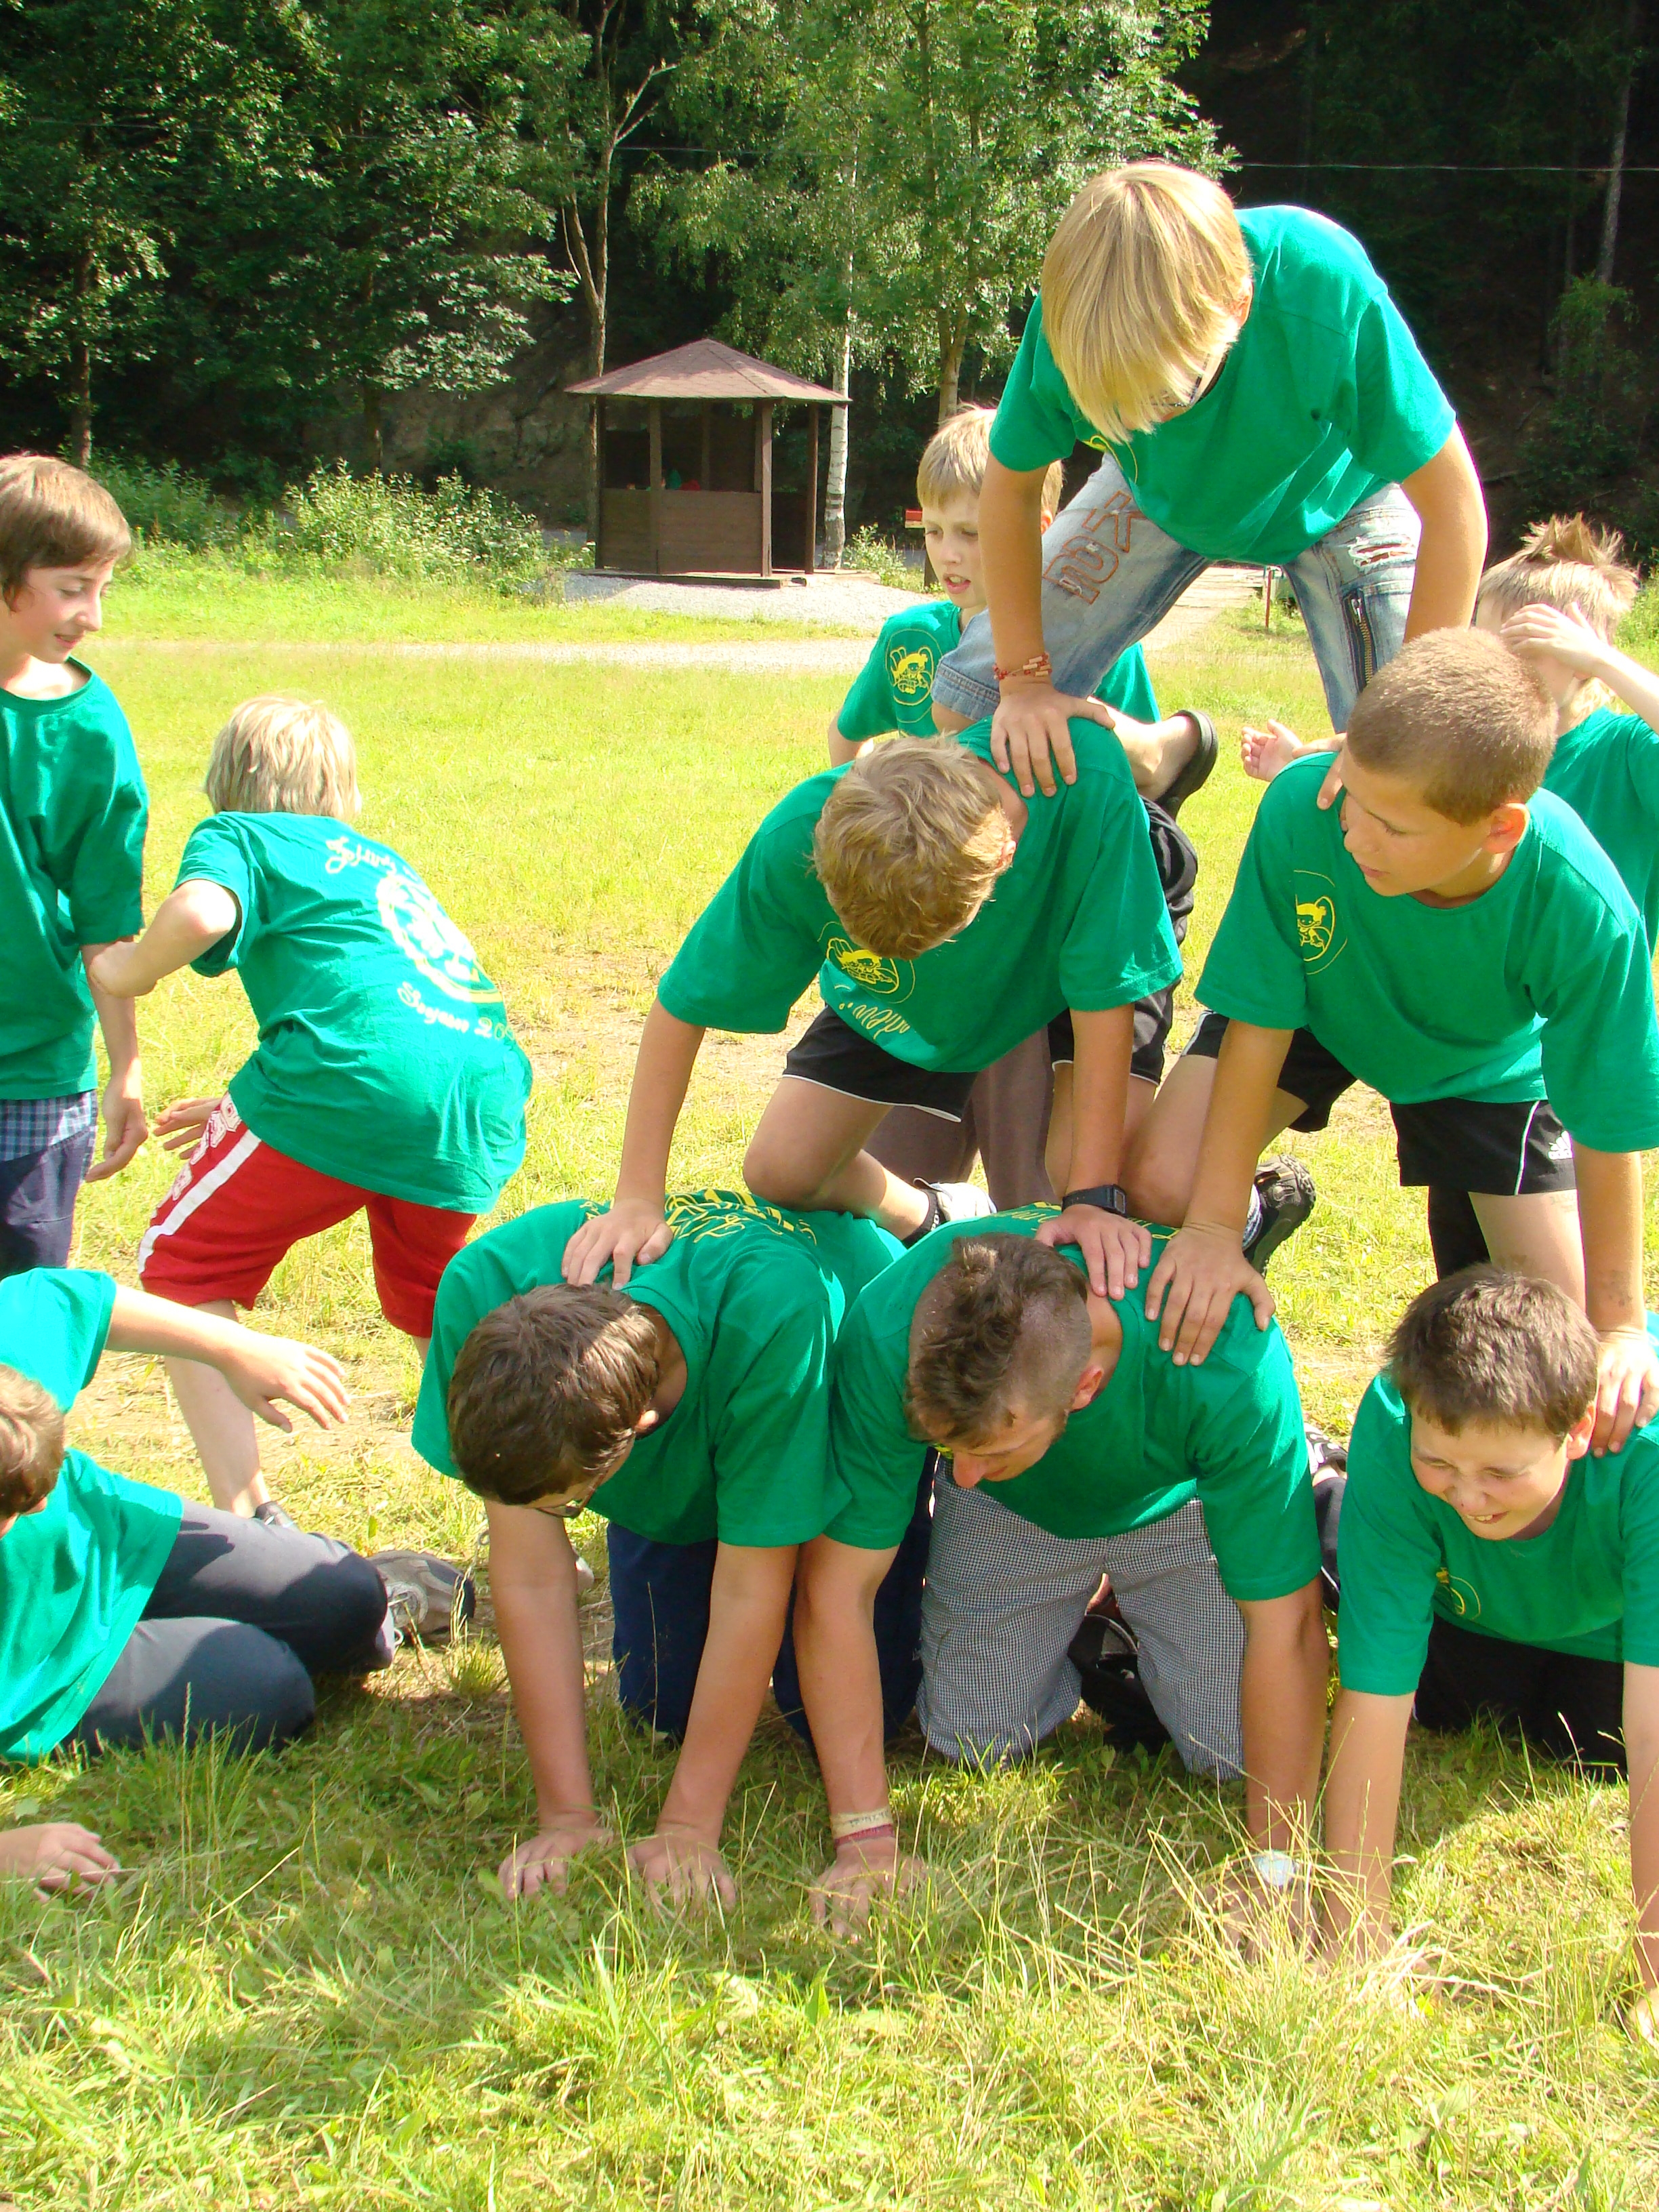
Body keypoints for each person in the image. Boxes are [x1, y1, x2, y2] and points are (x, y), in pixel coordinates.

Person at [1129, 630, 1659, 1460]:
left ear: (1500, 829)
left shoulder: (1580, 899)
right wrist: (1214, 1225)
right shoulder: (1305, 808)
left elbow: (1609, 1111)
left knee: (1564, 1338)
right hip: (1319, 1007)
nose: (1356, 839)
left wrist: (1622, 1325)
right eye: (1355, 799)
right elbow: (1260, 1022)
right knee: (1162, 1184)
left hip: (1482, 1065)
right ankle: (1258, 1216)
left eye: (1394, 827)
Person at [793, 1218, 1326, 1928]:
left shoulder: (1225, 1355)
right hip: (1020, 1507)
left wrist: (1277, 1870)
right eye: (947, 1449)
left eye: (988, 1447)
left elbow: (1289, 1625)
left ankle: (1306, 1470)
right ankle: (1088, 1621)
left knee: (1231, 1749)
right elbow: (837, 1589)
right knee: (973, 1738)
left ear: (1085, 1386)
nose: (962, 1476)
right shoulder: (895, 1324)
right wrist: (863, 1840)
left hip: (1176, 1496)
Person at [87, 695, 532, 1521]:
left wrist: (127, 971)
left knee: (182, 1266)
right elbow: (381, 992)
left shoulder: (239, 834)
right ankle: (533, 1520)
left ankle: (251, 1521)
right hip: (478, 1092)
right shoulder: (379, 861)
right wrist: (246, 1109)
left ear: (227, 782)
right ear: (342, 791)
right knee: (437, 1310)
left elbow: (204, 912)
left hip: (342, 1085)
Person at [927, 163, 1486, 806]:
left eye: (1166, 398)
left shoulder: (1320, 285)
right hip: (1153, 498)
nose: (1152, 424)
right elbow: (1011, 490)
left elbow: (1456, 509)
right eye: (1118, 412)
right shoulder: (1072, 316)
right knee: (974, 706)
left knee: (1411, 764)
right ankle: (1161, 755)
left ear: (1239, 307)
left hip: (1339, 495)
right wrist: (1024, 684)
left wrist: (1406, 716)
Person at [411, 1189, 908, 1907]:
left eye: (569, 1504)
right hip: (711, 1434)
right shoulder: (484, 1284)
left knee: (850, 1703)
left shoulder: (772, 1311)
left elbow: (750, 1590)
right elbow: (530, 1574)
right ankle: (694, 1508)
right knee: (662, 1708)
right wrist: (566, 1819)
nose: (554, 1518)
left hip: (835, 1398)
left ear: (638, 1428)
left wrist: (688, 1829)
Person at [560, 731, 1180, 1305]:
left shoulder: (1084, 787)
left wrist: (1094, 1198)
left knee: (1084, 1193)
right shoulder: (799, 832)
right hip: (913, 1001)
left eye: (928, 942)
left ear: (1004, 858)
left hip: (1065, 972)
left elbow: (1107, 995)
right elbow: (683, 1005)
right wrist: (636, 1197)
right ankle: (938, 1217)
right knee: (784, 1169)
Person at [1242, 516, 1659, 1282]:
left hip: (1521, 1038)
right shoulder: (1449, 751)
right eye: (1489, 641)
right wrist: (1301, 765)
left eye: (1537, 647)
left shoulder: (1623, 751)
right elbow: (1371, 775)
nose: (1505, 668)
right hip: (1401, 984)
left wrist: (1603, 661)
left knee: (1495, 1272)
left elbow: (1613, 1106)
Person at [830, 404, 1213, 1213]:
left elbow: (1134, 788)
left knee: (1051, 1176)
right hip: (949, 916)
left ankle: (1031, 1213)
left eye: (973, 533)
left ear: (1042, 529)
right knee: (884, 1174)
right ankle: (950, 1207)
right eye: (935, 530)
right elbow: (847, 738)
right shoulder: (910, 638)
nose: (949, 554)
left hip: (1054, 913)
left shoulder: (1099, 644)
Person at [1321, 1268, 1659, 2040]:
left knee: (1595, 1745)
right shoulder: (1396, 1417)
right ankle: (1327, 1488)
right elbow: (1374, 1697)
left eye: (1501, 1473)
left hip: (1607, 1627)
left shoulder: (1646, 1455)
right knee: (1449, 1701)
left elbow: (1652, 1734)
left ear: (1578, 1431)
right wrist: (1355, 1939)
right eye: (1441, 1464)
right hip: (1466, 1608)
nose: (1469, 1497)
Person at [0, 1265, 457, 1762]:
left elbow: (74, 1303)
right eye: (13, 1509)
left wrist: (238, 1350)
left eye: (40, 1490)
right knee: (270, 1687)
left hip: (109, 1542)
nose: (40, 1506)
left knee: (349, 1596)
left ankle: (364, 1618)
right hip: (43, 1671)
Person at [0, 454, 148, 1278]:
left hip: (33, 1072)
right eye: (71, 588)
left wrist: (126, 1066)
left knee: (22, 1316)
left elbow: (105, 918)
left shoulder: (89, 728)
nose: (92, 616)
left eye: (103, 589)